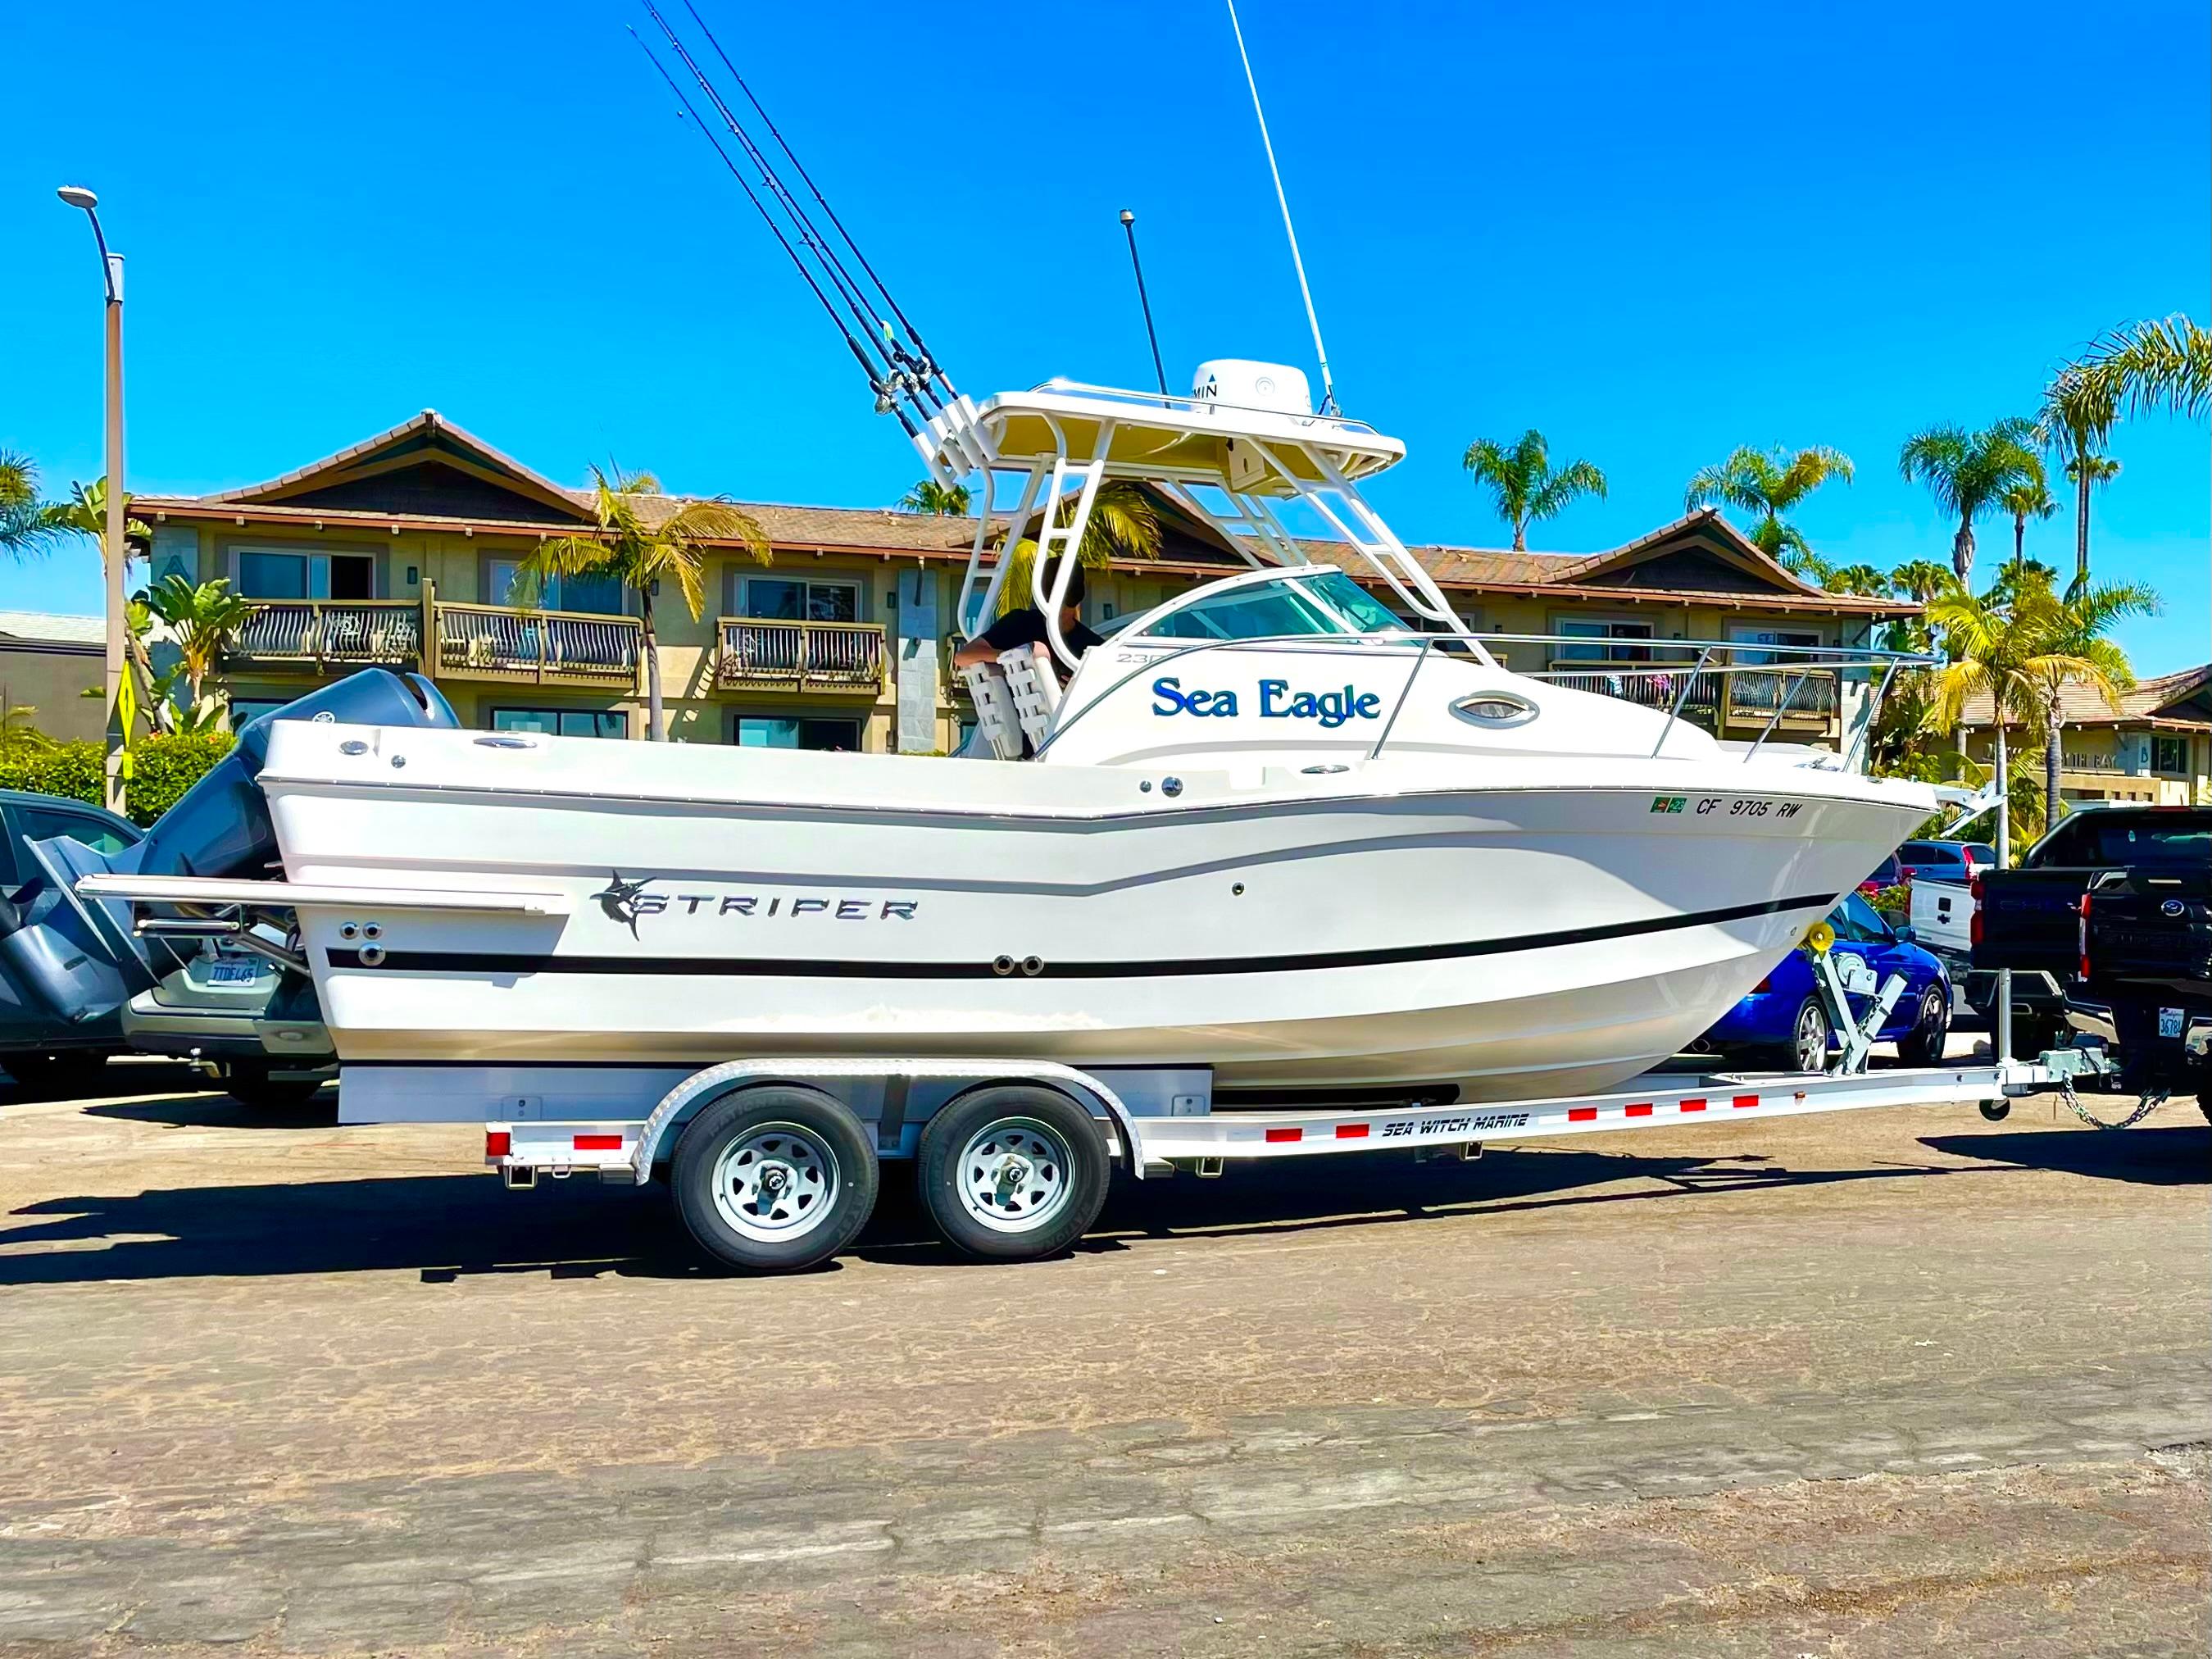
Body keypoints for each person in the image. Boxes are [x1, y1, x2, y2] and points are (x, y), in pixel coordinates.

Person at [952, 565, 1102, 671]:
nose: (1061, 610)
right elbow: (962, 657)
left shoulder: (1094, 648)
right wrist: (1012, 658)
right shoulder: (1021, 624)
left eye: (1068, 602)